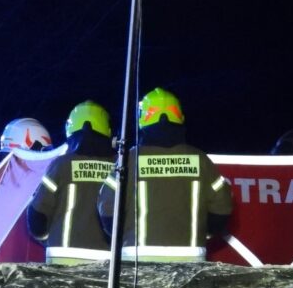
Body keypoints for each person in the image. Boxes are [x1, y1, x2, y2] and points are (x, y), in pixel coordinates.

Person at [97, 88, 233, 256]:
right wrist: (201, 234)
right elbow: (223, 208)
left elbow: (107, 209)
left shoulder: (129, 159)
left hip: (137, 260)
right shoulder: (200, 159)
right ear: (180, 118)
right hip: (190, 257)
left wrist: (126, 236)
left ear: (142, 119)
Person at [26, 100, 114, 253]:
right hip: (108, 261)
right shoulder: (119, 165)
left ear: (70, 129)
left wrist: (50, 240)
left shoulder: (61, 165)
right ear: (107, 130)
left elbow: (37, 216)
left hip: (63, 256)